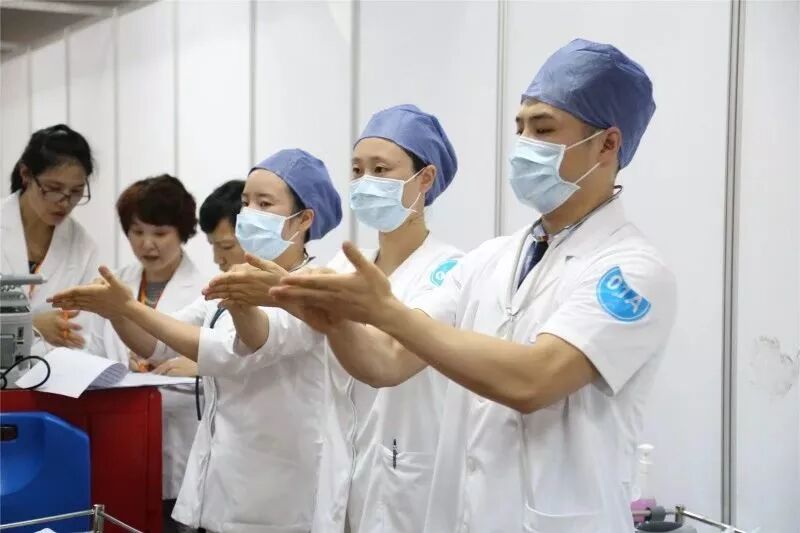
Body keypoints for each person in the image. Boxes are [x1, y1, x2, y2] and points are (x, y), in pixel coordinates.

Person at [270, 39, 679, 532]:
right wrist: (335, 321)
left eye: (543, 129)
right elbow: (386, 362)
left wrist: (385, 312)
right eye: (520, 127)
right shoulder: (491, 259)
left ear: (608, 145)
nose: (524, 144)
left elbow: (534, 380)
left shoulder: (632, 270)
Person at [50, 149, 342, 532]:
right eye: (246, 202)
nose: (248, 213)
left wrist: (129, 307)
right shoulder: (234, 283)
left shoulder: (310, 291)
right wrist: (117, 312)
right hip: (225, 480)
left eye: (264, 203)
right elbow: (157, 342)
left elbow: (232, 352)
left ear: (303, 219)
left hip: (279, 492)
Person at [204, 104, 463, 532]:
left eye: (381, 170)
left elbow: (387, 359)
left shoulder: (449, 271)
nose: (365, 182)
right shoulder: (342, 269)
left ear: (425, 178)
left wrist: (297, 299)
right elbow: (271, 336)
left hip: (405, 473)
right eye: (357, 171)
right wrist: (244, 298)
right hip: (339, 474)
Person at [81, 174, 204, 532]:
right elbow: (94, 352)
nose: (147, 244)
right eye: (137, 232)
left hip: (180, 441)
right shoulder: (114, 284)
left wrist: (184, 365)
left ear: (182, 232)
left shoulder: (203, 290)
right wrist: (122, 367)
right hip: (121, 435)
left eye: (160, 233)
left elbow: (218, 363)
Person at [1, 124, 98, 354]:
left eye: (76, 191)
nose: (64, 202)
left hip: (51, 371)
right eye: (54, 188)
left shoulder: (82, 246)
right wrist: (31, 327)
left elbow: (77, 334)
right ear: (26, 175)